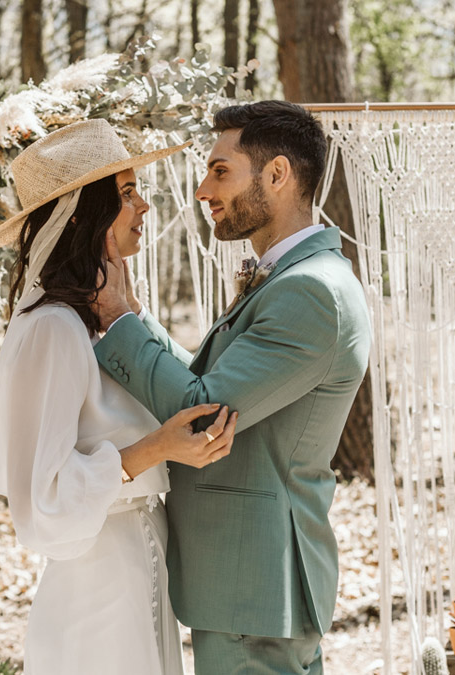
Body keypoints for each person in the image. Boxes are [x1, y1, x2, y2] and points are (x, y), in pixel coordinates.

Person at [92, 101, 372, 674]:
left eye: (220, 170)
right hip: (251, 582)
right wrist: (136, 317)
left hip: (256, 585)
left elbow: (202, 412)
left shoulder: (310, 293)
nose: (202, 189)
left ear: (277, 175)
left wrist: (117, 322)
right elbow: (208, 383)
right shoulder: (296, 278)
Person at [0, 118, 238, 675]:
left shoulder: (102, 317)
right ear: (83, 213)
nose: (145, 208)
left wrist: (131, 315)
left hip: (140, 561)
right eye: (127, 194)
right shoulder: (54, 328)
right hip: (96, 582)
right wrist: (156, 448)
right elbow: (46, 497)